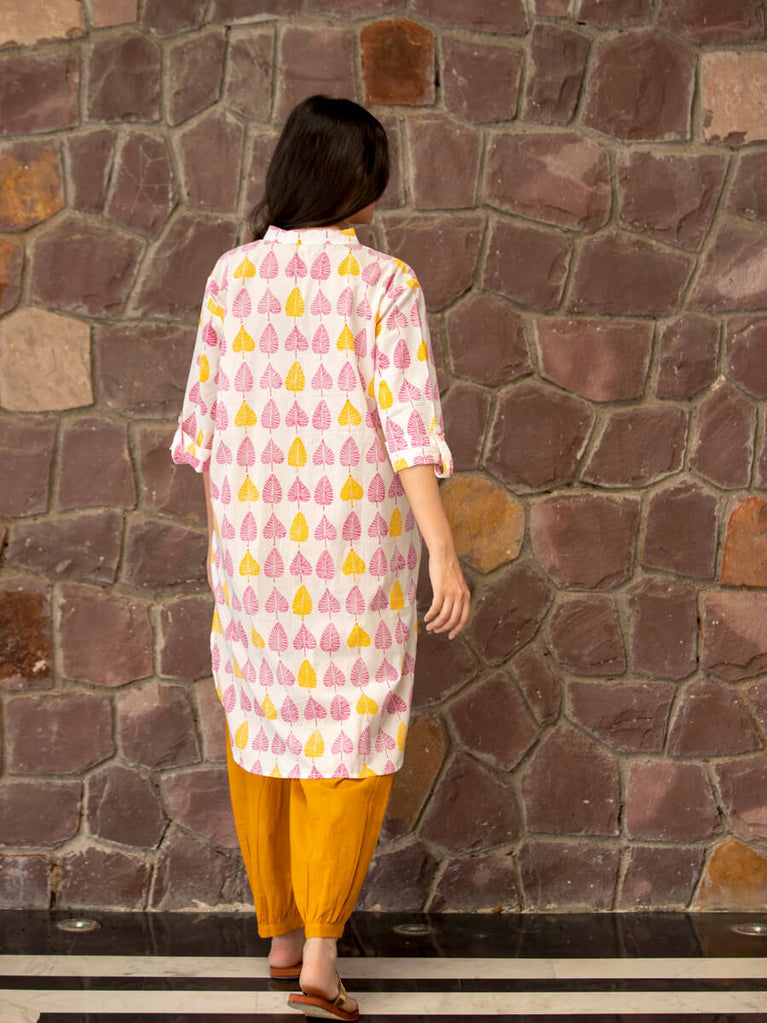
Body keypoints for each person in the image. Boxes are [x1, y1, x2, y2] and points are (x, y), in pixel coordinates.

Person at [171, 94, 470, 1021]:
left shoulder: (230, 275)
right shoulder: (384, 283)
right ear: (354, 182)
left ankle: (280, 935)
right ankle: (320, 961)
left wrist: (228, 546)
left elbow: (203, 434)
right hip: (352, 560)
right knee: (349, 736)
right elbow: (409, 432)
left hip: (252, 556)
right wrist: (443, 552)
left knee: (261, 724)